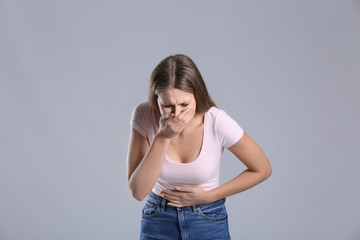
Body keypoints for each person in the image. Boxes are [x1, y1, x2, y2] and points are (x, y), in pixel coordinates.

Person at [127, 54, 272, 240]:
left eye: (184, 104)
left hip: (207, 218)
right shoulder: (144, 114)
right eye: (167, 106)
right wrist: (163, 137)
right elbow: (138, 192)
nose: (177, 114)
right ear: (156, 100)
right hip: (158, 219)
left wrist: (209, 196)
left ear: (197, 95)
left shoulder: (216, 121)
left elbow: (263, 169)